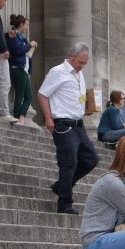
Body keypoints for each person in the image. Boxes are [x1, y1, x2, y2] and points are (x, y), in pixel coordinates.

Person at [37, 42, 100, 214]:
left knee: (91, 159)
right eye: (80, 62)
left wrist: (85, 108)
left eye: (85, 63)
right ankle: (64, 203)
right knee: (69, 163)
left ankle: (61, 186)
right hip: (63, 124)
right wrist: (48, 117)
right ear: (71, 56)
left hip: (78, 124)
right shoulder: (58, 72)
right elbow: (42, 94)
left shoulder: (79, 75)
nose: (82, 66)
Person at [7, 14, 37, 126]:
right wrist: (30, 45)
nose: (27, 27)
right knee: (19, 95)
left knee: (29, 97)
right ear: (21, 24)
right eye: (27, 25)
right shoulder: (14, 36)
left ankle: (21, 117)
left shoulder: (22, 38)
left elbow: (27, 54)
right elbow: (19, 50)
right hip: (17, 68)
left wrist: (30, 46)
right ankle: (17, 117)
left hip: (24, 69)